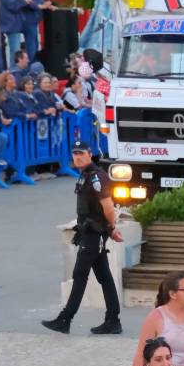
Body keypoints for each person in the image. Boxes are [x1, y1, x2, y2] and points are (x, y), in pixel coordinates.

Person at [40, 141, 127, 333]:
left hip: (94, 235)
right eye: (74, 154)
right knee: (104, 276)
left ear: (90, 154)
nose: (77, 157)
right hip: (91, 233)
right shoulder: (86, 175)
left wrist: (111, 228)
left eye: (81, 153)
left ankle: (65, 319)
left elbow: (108, 206)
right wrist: (109, 230)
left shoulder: (96, 177)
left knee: (80, 275)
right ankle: (113, 320)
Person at [0, 0, 25, 64]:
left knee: (14, 50)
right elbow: (13, 6)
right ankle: (14, 70)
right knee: (15, 50)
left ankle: (13, 69)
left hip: (13, 25)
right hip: (12, 25)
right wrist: (24, 2)